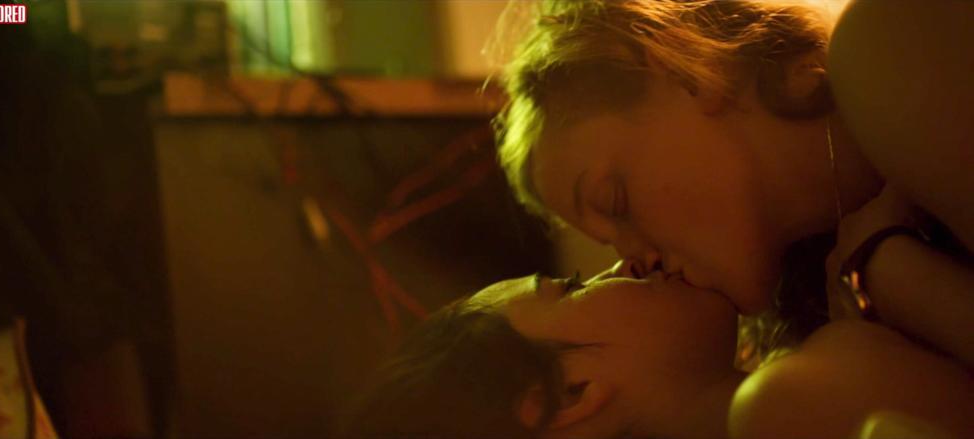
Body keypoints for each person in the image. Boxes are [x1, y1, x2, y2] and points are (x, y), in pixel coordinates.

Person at [493, 0, 974, 366]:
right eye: (610, 243)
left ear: (685, 70)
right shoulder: (840, 305)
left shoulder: (894, 44)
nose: (631, 262)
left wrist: (905, 281)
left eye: (613, 201)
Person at [340, 266, 974, 439]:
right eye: (573, 286)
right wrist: (887, 261)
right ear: (569, 394)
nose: (624, 262)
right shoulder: (784, 409)